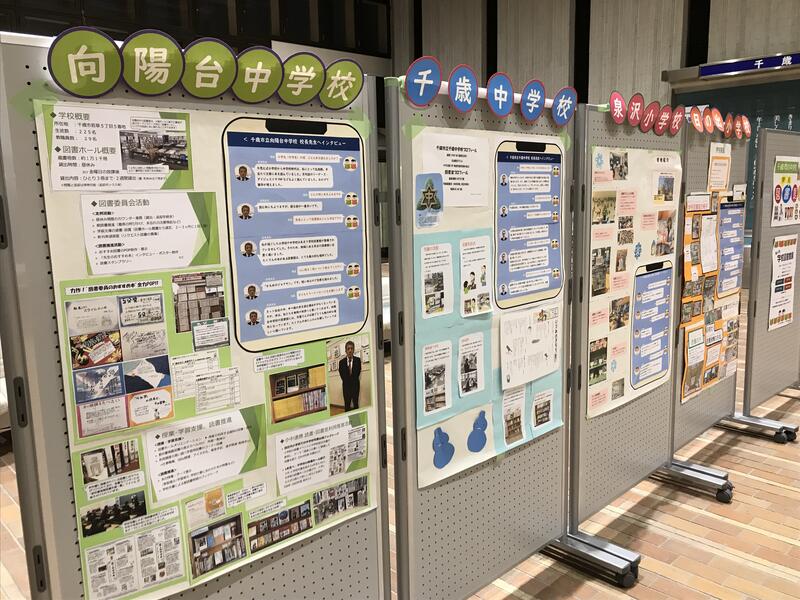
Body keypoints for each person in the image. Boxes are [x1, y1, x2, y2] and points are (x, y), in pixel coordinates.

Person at [338, 341, 362, 411]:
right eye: (348, 349)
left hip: (355, 386)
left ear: (353, 350)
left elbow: (358, 373)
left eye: (351, 348)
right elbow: (342, 375)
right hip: (346, 387)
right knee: (347, 405)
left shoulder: (358, 360)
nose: (350, 350)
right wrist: (348, 381)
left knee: (356, 404)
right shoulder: (341, 362)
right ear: (345, 350)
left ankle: (357, 418)